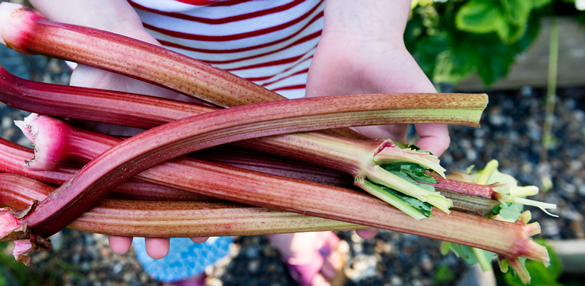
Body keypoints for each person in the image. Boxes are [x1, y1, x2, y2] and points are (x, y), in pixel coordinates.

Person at [28, 0, 450, 285]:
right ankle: (185, 265)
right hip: (151, 83)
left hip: (311, 67)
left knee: (304, 171)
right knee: (164, 202)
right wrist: (110, 39)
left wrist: (366, 30)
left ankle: (291, 228)